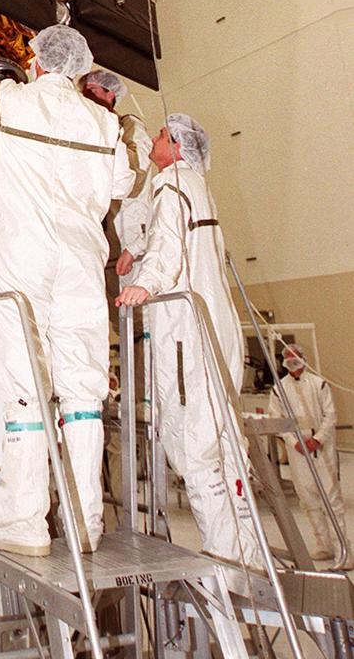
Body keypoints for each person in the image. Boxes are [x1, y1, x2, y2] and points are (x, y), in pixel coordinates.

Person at [0, 26, 135, 556]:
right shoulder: (104, 123)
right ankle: (84, 524)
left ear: (37, 63)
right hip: (80, 267)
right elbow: (122, 186)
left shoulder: (10, 101)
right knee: (83, 395)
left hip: (24, 267)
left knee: (26, 389)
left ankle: (23, 523)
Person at [116, 115, 261, 566]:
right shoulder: (198, 184)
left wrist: (148, 282)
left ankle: (223, 554)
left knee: (192, 445)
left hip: (186, 334)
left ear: (177, 147)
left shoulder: (171, 182)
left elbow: (167, 241)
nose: (156, 141)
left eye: (161, 136)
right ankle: (249, 550)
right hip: (217, 327)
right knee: (226, 442)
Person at [268, 345, 351, 565]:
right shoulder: (279, 389)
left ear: (303, 358)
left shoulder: (319, 384)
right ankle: (323, 545)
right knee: (307, 499)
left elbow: (330, 415)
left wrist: (318, 439)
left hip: (322, 450)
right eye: (287, 357)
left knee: (331, 499)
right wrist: (294, 442)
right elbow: (277, 419)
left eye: (295, 356)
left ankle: (343, 550)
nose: (291, 360)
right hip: (298, 453)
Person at [81, 69, 152, 279]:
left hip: (130, 238)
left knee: (138, 306)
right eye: (83, 92)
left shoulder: (130, 126)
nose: (86, 96)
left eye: (92, 90)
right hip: (104, 238)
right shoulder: (91, 129)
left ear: (111, 94)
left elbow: (134, 175)